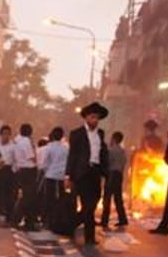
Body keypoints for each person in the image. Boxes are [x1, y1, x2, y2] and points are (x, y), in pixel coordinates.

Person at [65, 102, 109, 244]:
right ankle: (89, 238)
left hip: (95, 173)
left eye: (97, 118)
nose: (94, 120)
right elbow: (72, 155)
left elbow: (103, 154)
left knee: (93, 203)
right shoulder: (77, 134)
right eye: (92, 117)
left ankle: (70, 225)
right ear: (86, 118)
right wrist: (68, 176)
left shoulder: (100, 134)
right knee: (87, 206)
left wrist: (106, 172)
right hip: (82, 173)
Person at [38, 128, 68, 232]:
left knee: (49, 200)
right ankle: (58, 221)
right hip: (61, 178)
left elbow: (45, 163)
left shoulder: (48, 148)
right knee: (60, 200)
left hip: (50, 177)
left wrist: (47, 171)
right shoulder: (66, 148)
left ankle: (47, 222)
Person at [11, 123, 39, 230]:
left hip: (21, 170)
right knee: (29, 198)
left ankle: (26, 222)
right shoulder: (26, 141)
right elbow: (31, 157)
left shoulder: (16, 141)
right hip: (29, 170)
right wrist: (37, 162)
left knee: (26, 197)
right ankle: (19, 220)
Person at [101, 131, 129, 229]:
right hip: (119, 175)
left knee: (107, 198)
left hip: (112, 174)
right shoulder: (122, 150)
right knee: (118, 198)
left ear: (114, 139)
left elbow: (107, 162)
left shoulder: (111, 150)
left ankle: (104, 221)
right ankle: (123, 219)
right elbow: (124, 163)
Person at [0, 124, 16, 225]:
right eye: (4, 134)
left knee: (9, 195)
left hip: (9, 171)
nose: (5, 136)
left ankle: (9, 217)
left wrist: (13, 171)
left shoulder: (13, 147)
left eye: (7, 134)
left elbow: (16, 161)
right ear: (0, 134)